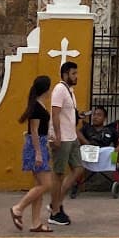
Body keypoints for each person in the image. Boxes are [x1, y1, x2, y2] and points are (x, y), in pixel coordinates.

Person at [10, 74, 53, 233]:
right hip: (37, 146)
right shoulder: (36, 107)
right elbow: (34, 131)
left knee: (39, 186)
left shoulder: (39, 105)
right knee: (45, 184)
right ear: (45, 89)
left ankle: (36, 223)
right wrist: (38, 153)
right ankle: (18, 208)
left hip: (40, 144)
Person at [48, 58, 83, 227]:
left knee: (78, 169)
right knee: (58, 174)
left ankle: (56, 202)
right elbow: (55, 114)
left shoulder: (70, 91)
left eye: (76, 73)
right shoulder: (59, 90)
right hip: (62, 138)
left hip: (72, 137)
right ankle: (54, 212)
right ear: (65, 74)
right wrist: (57, 136)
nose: (76, 76)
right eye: (74, 73)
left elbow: (67, 113)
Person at [74, 104, 119, 193]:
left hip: (105, 155)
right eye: (94, 114)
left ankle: (116, 181)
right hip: (89, 155)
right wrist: (87, 144)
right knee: (80, 147)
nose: (95, 117)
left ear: (104, 118)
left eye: (99, 115)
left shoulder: (110, 130)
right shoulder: (87, 128)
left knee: (113, 151)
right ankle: (78, 183)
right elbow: (77, 134)